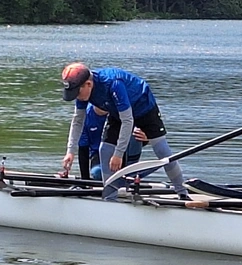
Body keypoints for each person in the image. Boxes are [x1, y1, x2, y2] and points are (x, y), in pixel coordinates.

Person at [60, 63, 189, 199]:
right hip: (117, 111)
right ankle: (110, 197)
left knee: (162, 150)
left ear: (88, 84)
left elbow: (128, 121)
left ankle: (182, 193)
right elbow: (78, 121)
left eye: (77, 93)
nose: (76, 97)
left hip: (143, 106)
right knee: (104, 150)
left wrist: (118, 154)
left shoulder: (113, 84)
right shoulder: (82, 92)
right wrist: (70, 151)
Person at [76, 104, 146, 180]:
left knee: (134, 132)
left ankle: (131, 172)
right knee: (97, 173)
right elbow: (83, 150)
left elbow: (149, 135)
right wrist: (85, 180)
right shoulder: (85, 116)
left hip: (123, 153)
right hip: (98, 155)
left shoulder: (121, 110)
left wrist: (147, 138)